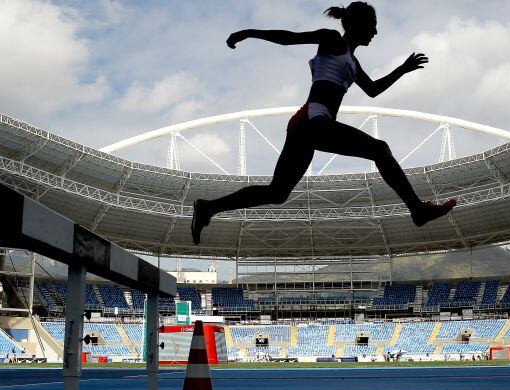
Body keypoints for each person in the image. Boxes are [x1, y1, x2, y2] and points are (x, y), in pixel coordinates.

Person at [191, 2, 456, 244]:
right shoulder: (332, 40)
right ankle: (418, 210)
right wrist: (248, 32)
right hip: (312, 121)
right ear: (356, 25)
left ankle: (207, 207)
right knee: (380, 149)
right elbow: (289, 39)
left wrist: (402, 68)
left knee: (277, 193)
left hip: (306, 126)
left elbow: (373, 90)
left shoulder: (353, 62)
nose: (375, 32)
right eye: (372, 26)